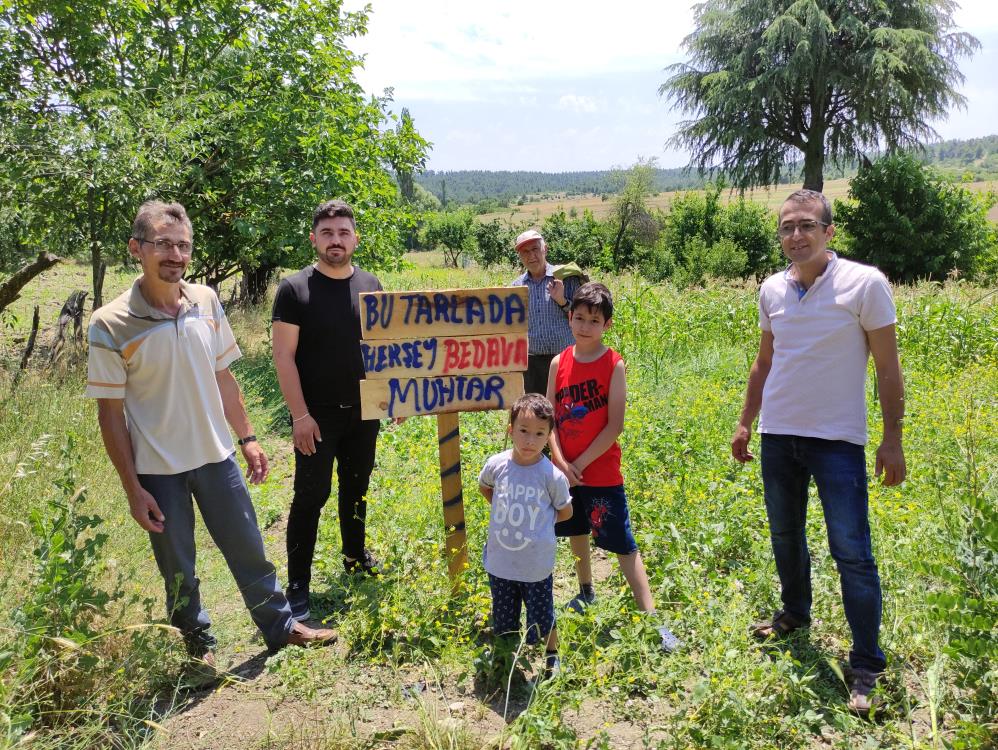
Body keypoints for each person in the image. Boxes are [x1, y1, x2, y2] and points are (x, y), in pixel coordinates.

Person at [86, 201, 335, 673]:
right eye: (163, 244)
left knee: (249, 549)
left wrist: (248, 438)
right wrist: (132, 488)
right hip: (157, 471)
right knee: (178, 567)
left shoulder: (205, 300)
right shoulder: (110, 323)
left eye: (183, 245)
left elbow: (224, 378)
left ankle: (281, 627)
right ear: (136, 249)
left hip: (217, 458)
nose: (175, 255)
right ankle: (198, 647)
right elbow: (110, 414)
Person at [731, 189, 906, 716]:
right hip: (779, 436)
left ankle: (867, 663)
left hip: (837, 441)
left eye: (807, 225)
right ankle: (794, 613)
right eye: (787, 227)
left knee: (851, 552)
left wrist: (892, 437)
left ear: (829, 231)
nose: (796, 235)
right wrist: (746, 421)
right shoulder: (772, 290)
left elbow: (888, 367)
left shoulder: (864, 284)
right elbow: (764, 363)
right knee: (785, 535)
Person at [547, 282, 680, 652]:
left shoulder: (613, 364)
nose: (585, 326)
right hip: (565, 471)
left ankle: (653, 621)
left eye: (594, 320)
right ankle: (585, 590)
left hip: (601, 472)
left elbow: (614, 426)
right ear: (569, 318)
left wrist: (579, 464)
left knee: (622, 542)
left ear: (607, 325)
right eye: (579, 318)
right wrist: (561, 462)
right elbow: (549, 418)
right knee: (574, 528)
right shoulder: (559, 363)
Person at [271, 199, 384, 622]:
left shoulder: (371, 284)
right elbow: (283, 357)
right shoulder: (295, 289)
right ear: (314, 239)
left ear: (356, 238)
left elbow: (382, 348)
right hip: (316, 417)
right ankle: (298, 584)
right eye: (327, 233)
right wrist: (300, 416)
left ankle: (355, 558)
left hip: (364, 412)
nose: (336, 240)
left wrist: (392, 395)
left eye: (343, 233)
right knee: (310, 497)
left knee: (357, 488)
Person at [478, 393, 573, 677]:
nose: (530, 440)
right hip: (501, 561)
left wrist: (540, 524)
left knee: (542, 615)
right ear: (511, 430)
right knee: (503, 616)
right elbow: (485, 488)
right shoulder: (497, 465)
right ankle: (504, 658)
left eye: (539, 433)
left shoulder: (552, 476)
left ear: (549, 436)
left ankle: (552, 654)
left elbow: (565, 512)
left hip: (535, 564)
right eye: (523, 431)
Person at [511, 229, 580, 395]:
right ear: (520, 256)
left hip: (564, 358)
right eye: (525, 252)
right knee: (537, 408)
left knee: (567, 406)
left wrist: (562, 301)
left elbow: (583, 318)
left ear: (545, 249)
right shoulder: (516, 287)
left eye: (535, 249)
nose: (531, 256)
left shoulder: (566, 278)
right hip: (531, 363)